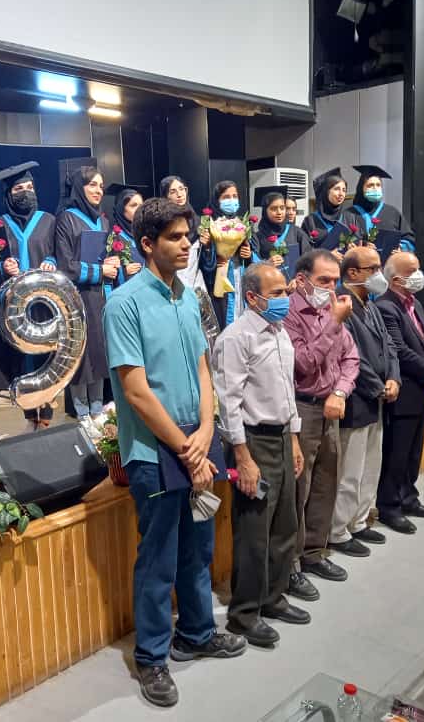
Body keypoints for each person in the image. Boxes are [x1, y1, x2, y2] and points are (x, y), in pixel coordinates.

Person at [104, 197, 246, 707]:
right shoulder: (123, 304)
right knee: (159, 556)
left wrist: (207, 428)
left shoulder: (188, 297)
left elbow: (205, 368)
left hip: (197, 440)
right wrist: (188, 448)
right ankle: (151, 657)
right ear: (147, 244)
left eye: (188, 236)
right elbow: (136, 391)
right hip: (154, 448)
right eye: (175, 237)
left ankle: (198, 633)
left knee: (199, 545)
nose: (188, 244)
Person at [213, 262, 307, 648]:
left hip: (282, 437)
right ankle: (245, 614)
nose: (286, 298)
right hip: (253, 442)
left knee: (285, 524)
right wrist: (243, 456)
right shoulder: (236, 338)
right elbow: (228, 401)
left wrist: (294, 438)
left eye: (286, 290)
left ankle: (273, 597)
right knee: (254, 533)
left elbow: (287, 390)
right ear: (253, 297)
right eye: (278, 293)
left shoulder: (279, 331)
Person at [282, 249, 359, 598]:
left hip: (330, 407)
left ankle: (314, 552)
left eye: (335, 281)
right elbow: (304, 362)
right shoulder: (288, 313)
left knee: (326, 483)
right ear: (301, 280)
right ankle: (291, 565)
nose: (331, 288)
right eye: (323, 280)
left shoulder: (331, 308)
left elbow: (351, 358)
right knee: (299, 489)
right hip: (301, 408)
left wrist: (340, 392)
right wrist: (334, 323)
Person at [328, 247, 400, 557]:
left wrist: (394, 377)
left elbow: (389, 345)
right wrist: (378, 387)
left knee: (371, 464)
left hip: (378, 397)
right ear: (353, 273)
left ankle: (359, 521)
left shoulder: (370, 304)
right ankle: (338, 530)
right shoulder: (343, 305)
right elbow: (351, 354)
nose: (379, 275)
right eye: (373, 269)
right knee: (350, 470)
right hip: (357, 397)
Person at [375, 252, 424, 534]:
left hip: (422, 388)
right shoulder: (385, 307)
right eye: (412, 270)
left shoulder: (414, 302)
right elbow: (400, 351)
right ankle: (389, 506)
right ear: (396, 279)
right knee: (397, 453)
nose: (419, 275)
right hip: (404, 390)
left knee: (414, 452)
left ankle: (409, 497)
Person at [0, 161, 58, 432]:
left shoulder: (48, 220)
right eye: (19, 189)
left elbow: (56, 251)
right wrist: (2, 266)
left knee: (46, 356)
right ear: (8, 194)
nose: (26, 192)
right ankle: (30, 415)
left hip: (44, 304)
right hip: (15, 307)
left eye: (30, 187)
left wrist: (51, 260)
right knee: (22, 360)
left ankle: (47, 414)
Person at [54, 165, 112, 419]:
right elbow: (66, 265)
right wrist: (100, 270)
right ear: (79, 188)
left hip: (100, 296)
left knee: (99, 352)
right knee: (80, 354)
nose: (98, 190)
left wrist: (113, 262)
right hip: (76, 298)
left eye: (101, 186)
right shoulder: (66, 219)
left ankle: (98, 412)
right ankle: (82, 414)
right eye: (92, 185)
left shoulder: (103, 220)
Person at [199, 180, 257, 328]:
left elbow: (254, 255)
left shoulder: (243, 223)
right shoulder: (209, 225)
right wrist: (209, 248)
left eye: (234, 196)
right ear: (217, 200)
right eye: (226, 197)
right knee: (225, 319)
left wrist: (248, 255)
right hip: (220, 279)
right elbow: (204, 263)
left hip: (240, 276)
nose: (231, 200)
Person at [343, 164, 415, 252]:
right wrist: (348, 246)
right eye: (370, 185)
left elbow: (409, 239)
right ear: (361, 188)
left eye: (378, 185)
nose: (375, 188)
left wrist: (400, 248)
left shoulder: (393, 213)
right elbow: (340, 243)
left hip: (389, 260)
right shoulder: (349, 214)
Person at [252, 186, 310, 275]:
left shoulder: (296, 232)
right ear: (265, 211)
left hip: (295, 281)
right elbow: (252, 267)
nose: (279, 212)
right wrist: (266, 264)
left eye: (282, 208)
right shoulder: (258, 237)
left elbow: (308, 260)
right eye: (273, 209)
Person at [302, 168, 352, 257]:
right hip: (321, 265)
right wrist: (328, 255)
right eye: (337, 189)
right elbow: (305, 253)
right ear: (326, 191)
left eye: (344, 190)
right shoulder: (310, 221)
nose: (341, 194)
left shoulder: (348, 217)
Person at [107, 184, 146, 286]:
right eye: (133, 205)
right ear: (121, 209)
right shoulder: (113, 237)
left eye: (141, 205)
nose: (139, 209)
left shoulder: (146, 233)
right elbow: (108, 270)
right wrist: (123, 272)